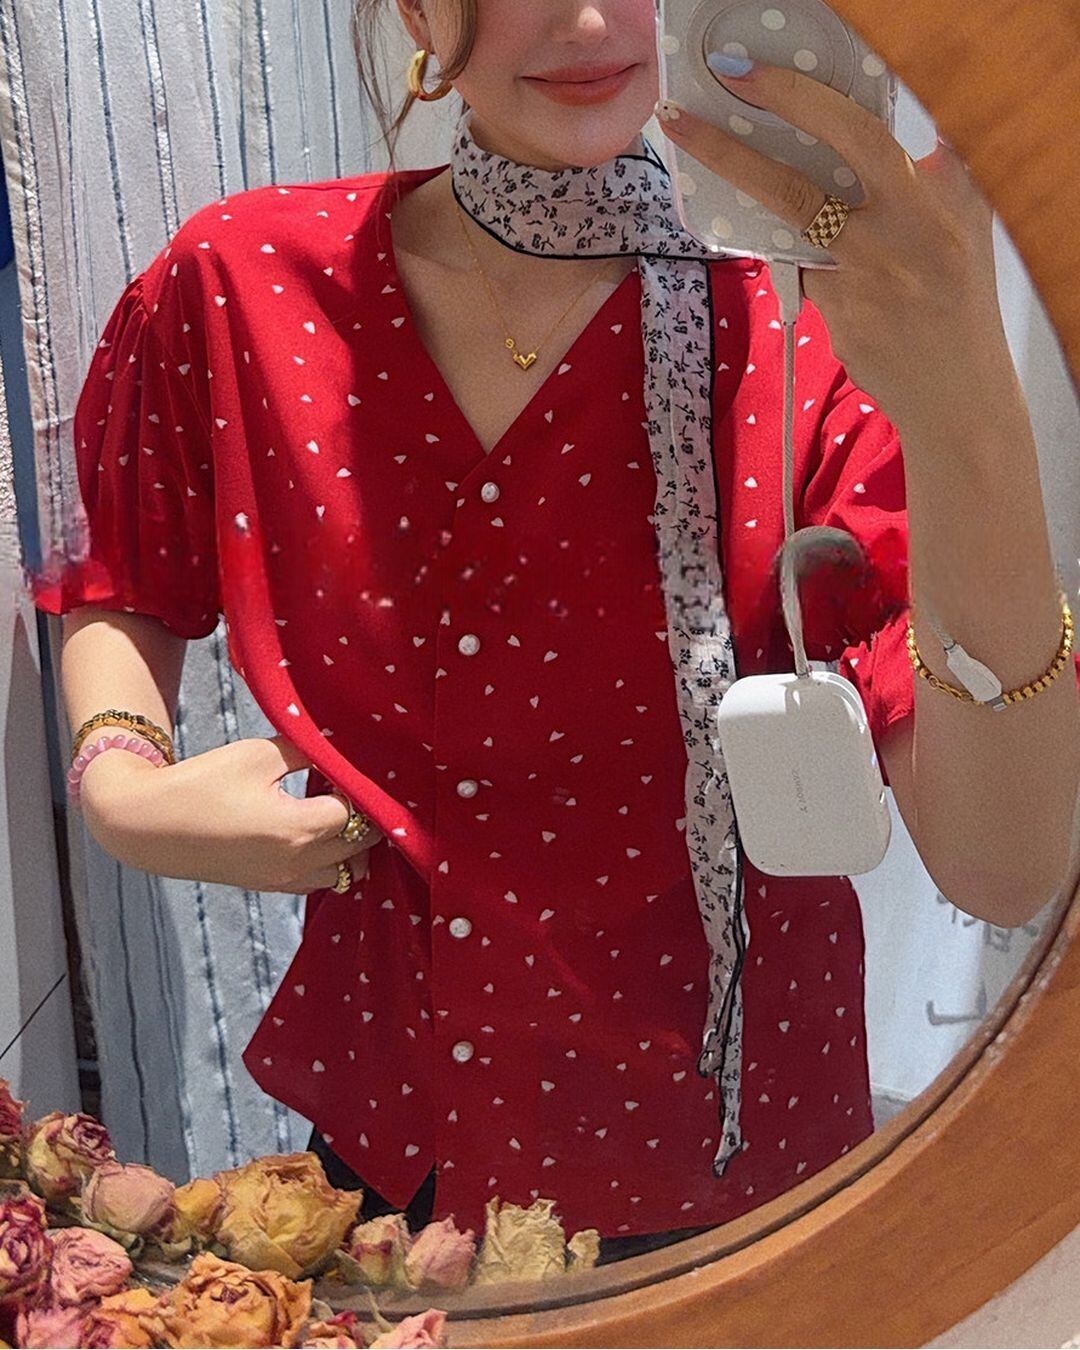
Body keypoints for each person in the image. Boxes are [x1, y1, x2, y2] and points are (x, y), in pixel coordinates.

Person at [30, 0, 1075, 1266]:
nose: (586, 16)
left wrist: (968, 403)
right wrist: (122, 784)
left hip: (730, 1159)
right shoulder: (248, 284)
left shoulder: (822, 323)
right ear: (415, 10)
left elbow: (1003, 867)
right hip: (387, 1148)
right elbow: (130, 569)